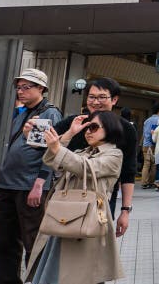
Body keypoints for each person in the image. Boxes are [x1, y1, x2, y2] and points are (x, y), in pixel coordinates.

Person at [26, 111, 125, 284]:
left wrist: (58, 148)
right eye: (86, 128)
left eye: (93, 127)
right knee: (59, 272)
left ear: (109, 128)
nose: (88, 131)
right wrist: (70, 133)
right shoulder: (81, 151)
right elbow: (51, 160)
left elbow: (85, 167)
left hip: (89, 222)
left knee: (83, 274)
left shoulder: (115, 155)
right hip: (64, 219)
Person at [0, 69, 63, 284]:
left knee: (33, 241)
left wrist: (40, 183)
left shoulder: (50, 113)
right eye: (19, 87)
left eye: (26, 87)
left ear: (41, 88)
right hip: (8, 185)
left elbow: (52, 152)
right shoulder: (22, 113)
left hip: (29, 186)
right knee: (4, 241)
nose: (20, 92)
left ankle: (38, 281)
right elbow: (12, 149)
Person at [41, 78, 137, 235]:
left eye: (102, 97)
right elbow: (49, 149)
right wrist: (32, 133)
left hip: (100, 199)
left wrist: (125, 210)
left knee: (92, 243)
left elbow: (128, 172)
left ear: (114, 99)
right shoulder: (75, 122)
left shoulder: (125, 130)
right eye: (91, 97)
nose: (96, 102)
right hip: (66, 195)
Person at [141, 102, 159, 188]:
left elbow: (144, 134)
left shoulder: (147, 120)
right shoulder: (158, 120)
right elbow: (154, 134)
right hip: (153, 145)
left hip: (145, 145)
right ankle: (151, 182)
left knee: (146, 164)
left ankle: (144, 182)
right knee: (154, 164)